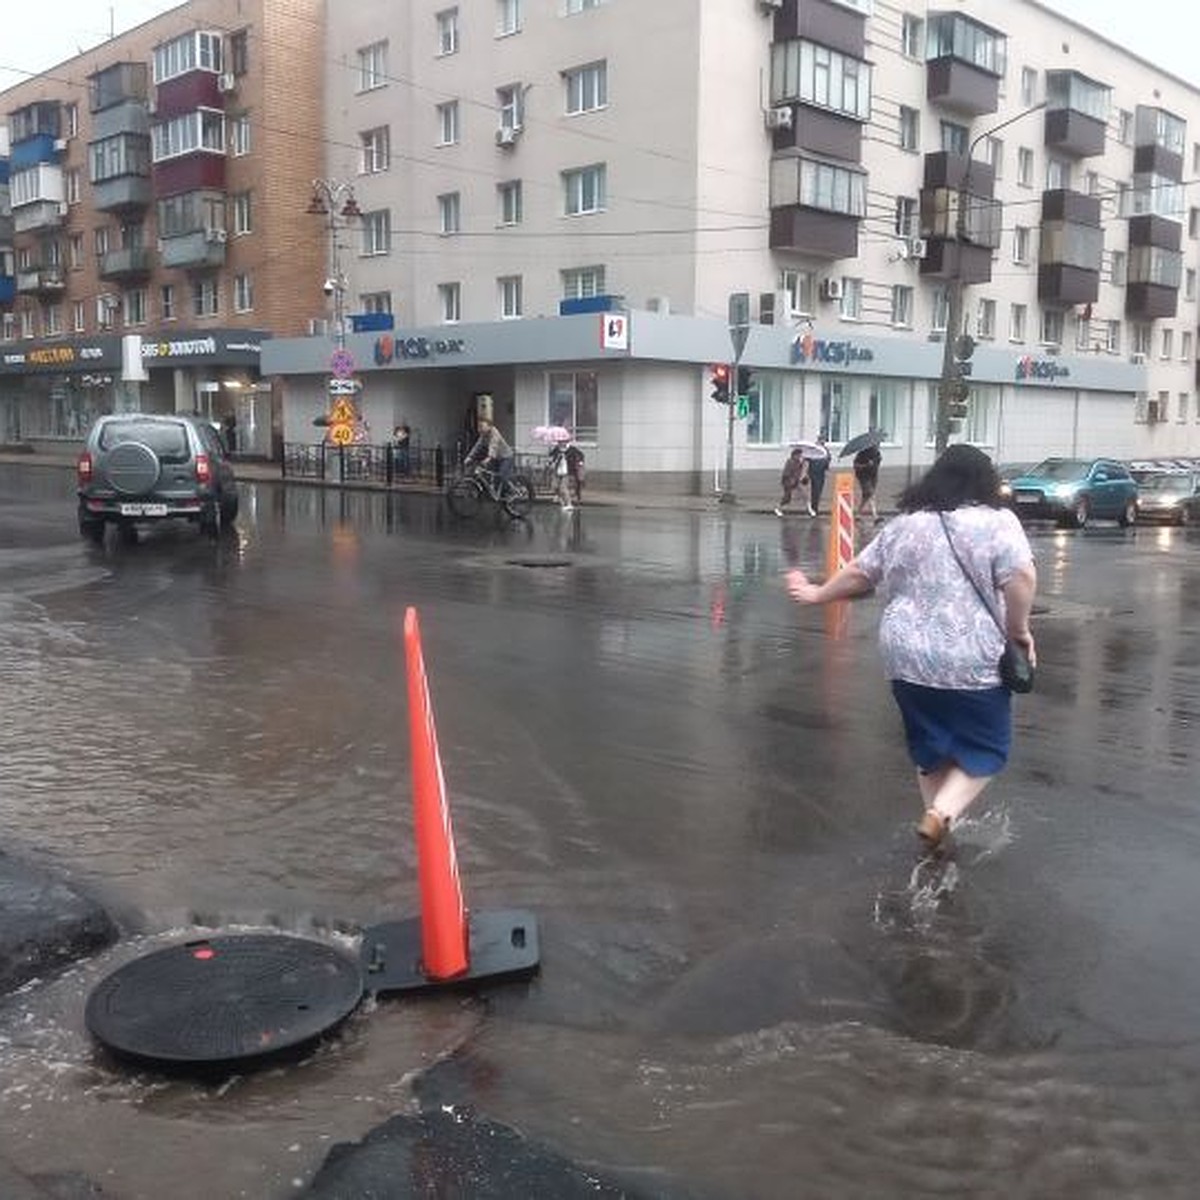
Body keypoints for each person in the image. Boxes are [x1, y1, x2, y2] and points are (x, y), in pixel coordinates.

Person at [785, 444, 1037, 850]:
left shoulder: (906, 524)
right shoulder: (997, 522)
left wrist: (817, 594)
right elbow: (1021, 578)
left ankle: (934, 831)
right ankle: (940, 815)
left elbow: (860, 574)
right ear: (985, 481)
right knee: (987, 747)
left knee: (931, 747)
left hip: (905, 659)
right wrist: (1018, 630)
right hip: (971, 658)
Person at [463, 415, 514, 481]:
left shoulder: (495, 433)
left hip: (505, 457)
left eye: (482, 426)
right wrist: (470, 457)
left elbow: (493, 445)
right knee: (490, 475)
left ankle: (507, 490)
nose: (480, 429)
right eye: (479, 426)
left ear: (489, 426)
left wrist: (489, 457)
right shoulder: (483, 435)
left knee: (501, 478)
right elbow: (477, 446)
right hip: (496, 458)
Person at [774, 448, 813, 518]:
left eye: (801, 455)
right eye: (799, 455)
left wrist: (803, 466)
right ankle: (777, 508)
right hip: (788, 482)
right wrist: (790, 480)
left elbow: (802, 472)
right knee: (787, 498)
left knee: (805, 494)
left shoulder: (800, 462)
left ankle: (810, 509)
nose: (800, 456)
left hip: (796, 482)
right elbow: (786, 473)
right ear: (795, 455)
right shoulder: (790, 462)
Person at [853, 442, 882, 521]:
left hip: (873, 476)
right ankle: (875, 516)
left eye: (879, 444)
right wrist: (866, 465)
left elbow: (877, 463)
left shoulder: (877, 453)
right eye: (876, 444)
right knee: (870, 493)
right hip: (863, 477)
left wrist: (874, 464)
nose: (878, 445)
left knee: (866, 496)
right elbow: (856, 465)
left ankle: (858, 514)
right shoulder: (862, 453)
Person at [548, 439, 574, 511]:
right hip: (557, 471)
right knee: (554, 486)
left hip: (566, 472)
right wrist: (551, 461)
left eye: (562, 442)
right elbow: (551, 456)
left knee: (563, 488)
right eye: (559, 442)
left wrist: (577, 462)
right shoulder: (557, 449)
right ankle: (560, 499)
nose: (560, 443)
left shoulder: (571, 450)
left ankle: (569, 504)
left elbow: (579, 455)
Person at [807, 436, 831, 515]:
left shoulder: (825, 449)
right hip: (813, 472)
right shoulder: (814, 448)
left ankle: (815, 507)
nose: (823, 441)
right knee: (815, 490)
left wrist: (826, 466)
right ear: (818, 440)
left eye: (824, 440)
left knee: (818, 490)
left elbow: (828, 459)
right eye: (821, 440)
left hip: (821, 472)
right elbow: (808, 458)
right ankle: (814, 508)